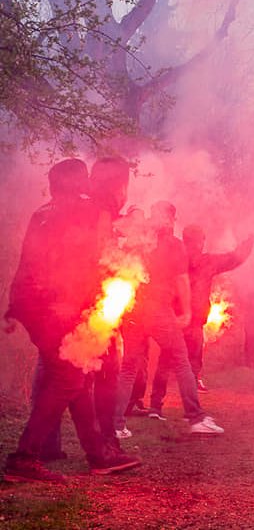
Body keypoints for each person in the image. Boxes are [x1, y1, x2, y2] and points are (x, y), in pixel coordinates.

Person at [3, 159, 140, 483]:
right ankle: (24, 458)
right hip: (57, 308)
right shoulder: (89, 211)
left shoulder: (44, 212)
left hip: (31, 306)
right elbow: (93, 262)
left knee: (74, 377)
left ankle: (98, 454)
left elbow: (32, 260)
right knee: (69, 378)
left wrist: (15, 307)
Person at [113, 201, 224, 436]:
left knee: (128, 368)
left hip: (133, 310)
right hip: (158, 310)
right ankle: (196, 418)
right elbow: (181, 280)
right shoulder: (173, 245)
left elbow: (121, 269)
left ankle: (116, 425)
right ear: (171, 219)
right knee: (182, 361)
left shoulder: (139, 243)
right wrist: (185, 311)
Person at [149, 226, 254, 405]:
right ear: (200, 241)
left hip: (173, 318)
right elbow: (233, 259)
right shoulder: (206, 261)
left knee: (165, 363)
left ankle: (156, 406)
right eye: (203, 239)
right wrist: (248, 244)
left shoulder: (173, 258)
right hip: (193, 320)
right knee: (192, 365)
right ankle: (191, 408)